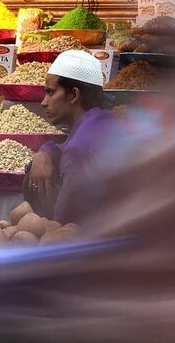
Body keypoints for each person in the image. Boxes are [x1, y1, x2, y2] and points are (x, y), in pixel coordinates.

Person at [23, 50, 121, 224]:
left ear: (74, 95)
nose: (43, 102)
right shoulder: (105, 119)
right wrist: (44, 152)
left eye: (51, 92)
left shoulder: (79, 150)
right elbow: (66, 145)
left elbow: (67, 223)